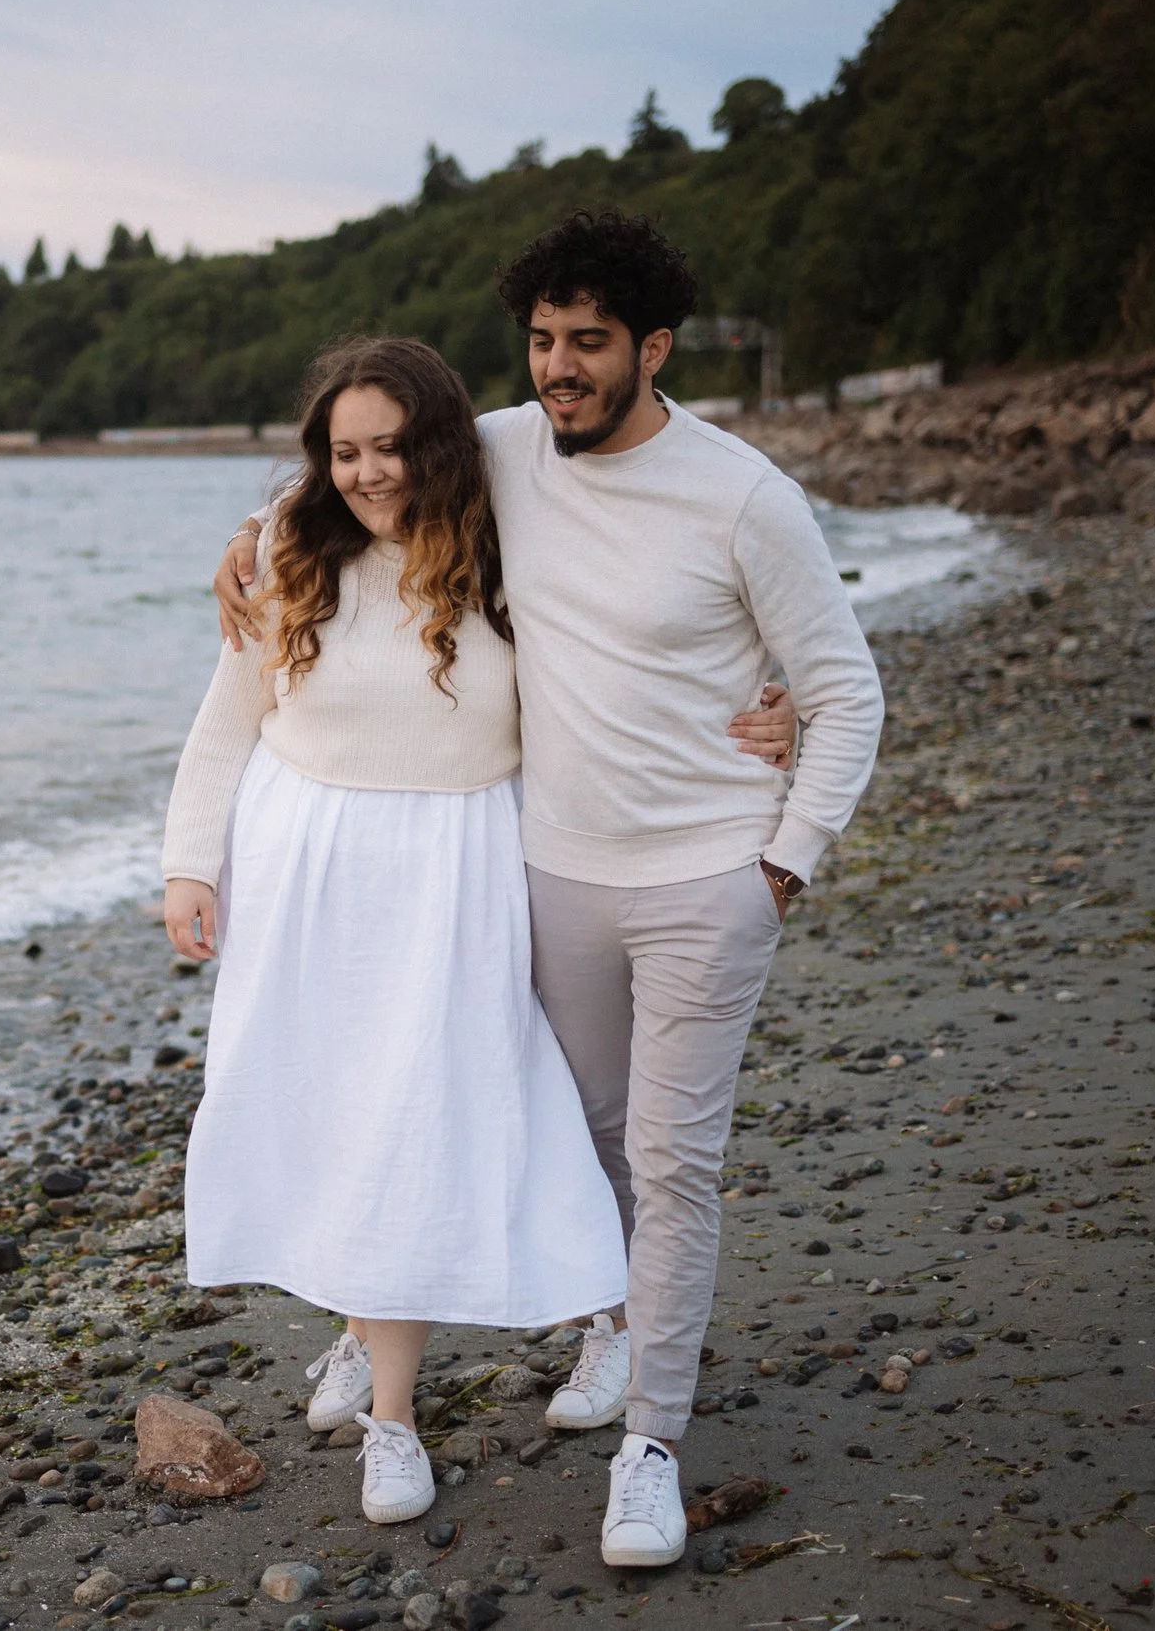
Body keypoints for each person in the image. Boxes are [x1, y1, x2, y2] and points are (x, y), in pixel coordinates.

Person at [213, 212, 884, 1566]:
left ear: (655, 348)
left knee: (674, 1158)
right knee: (578, 1129)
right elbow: (370, 479)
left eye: (588, 344)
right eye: (541, 342)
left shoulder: (745, 494)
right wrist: (259, 529)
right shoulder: (510, 452)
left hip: (709, 877)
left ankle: (652, 1444)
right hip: (554, 871)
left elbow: (844, 688)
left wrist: (784, 861)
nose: (560, 368)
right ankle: (603, 1315)